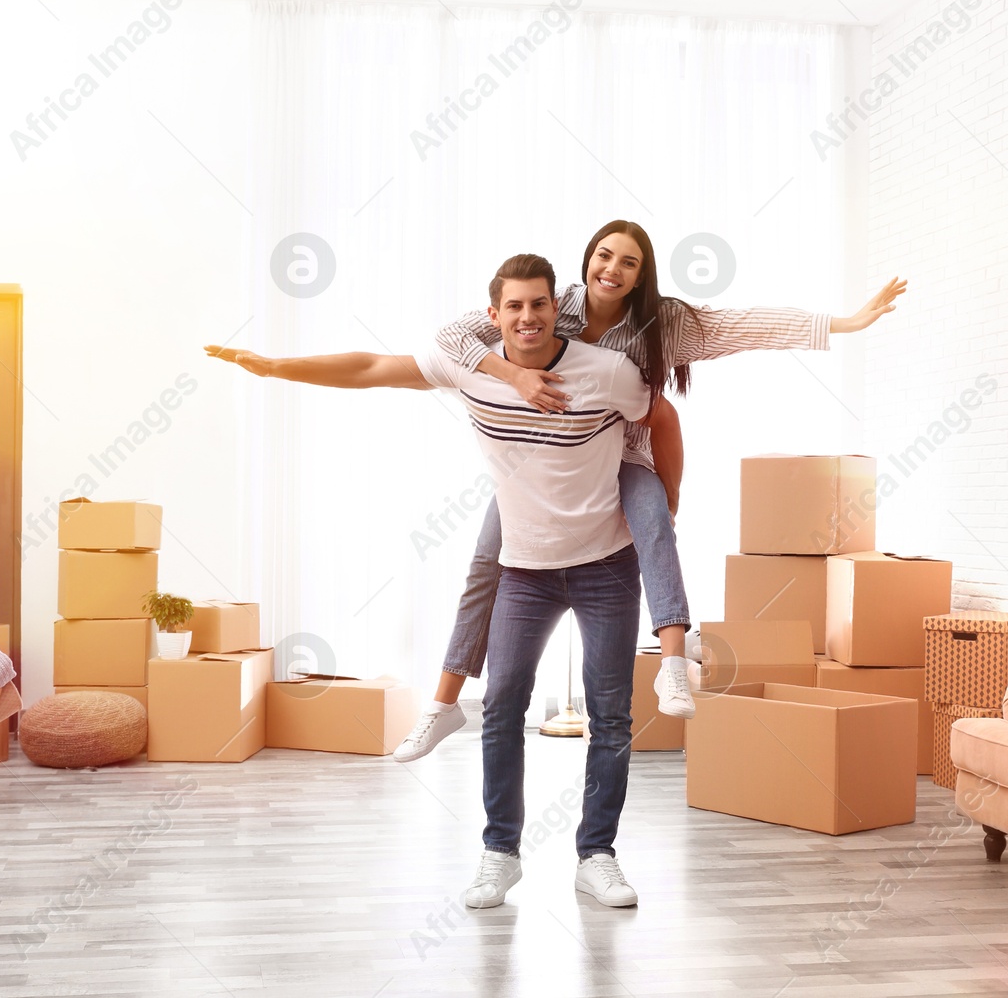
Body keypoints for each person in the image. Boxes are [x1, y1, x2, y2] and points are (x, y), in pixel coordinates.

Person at [207, 253, 653, 909]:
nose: (527, 316)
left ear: (556, 308)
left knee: (611, 715)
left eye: (538, 303)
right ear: (493, 314)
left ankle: (598, 855)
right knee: (502, 706)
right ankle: (500, 853)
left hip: (606, 565)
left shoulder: (609, 372)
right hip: (524, 570)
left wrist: (664, 513)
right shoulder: (470, 367)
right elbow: (370, 368)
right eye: (514, 306)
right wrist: (276, 367)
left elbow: (657, 424)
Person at [386, 219, 907, 762]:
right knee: (483, 564)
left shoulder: (664, 323)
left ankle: (674, 664)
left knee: (655, 523)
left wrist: (841, 323)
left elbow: (746, 326)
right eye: (604, 256)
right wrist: (510, 374)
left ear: (641, 276)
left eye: (628, 263)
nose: (612, 269)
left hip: (624, 457)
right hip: (547, 467)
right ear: (587, 259)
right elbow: (451, 337)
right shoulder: (550, 304)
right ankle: (443, 706)